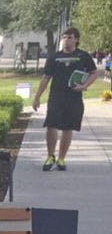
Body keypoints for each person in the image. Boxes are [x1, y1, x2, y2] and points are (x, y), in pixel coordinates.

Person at [32, 27, 98, 171]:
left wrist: (84, 86)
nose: (65, 40)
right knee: (51, 126)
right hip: (56, 96)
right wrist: (37, 97)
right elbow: (45, 78)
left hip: (74, 97)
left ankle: (61, 159)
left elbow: (94, 73)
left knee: (68, 128)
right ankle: (50, 156)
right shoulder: (54, 57)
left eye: (69, 37)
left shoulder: (83, 56)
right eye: (64, 37)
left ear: (76, 39)